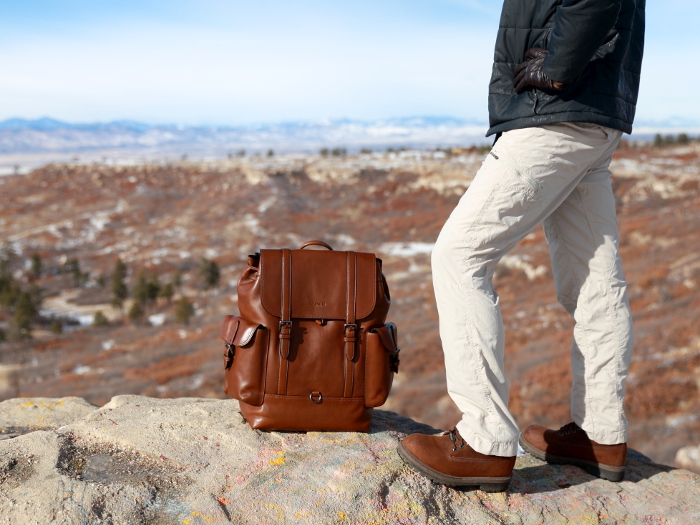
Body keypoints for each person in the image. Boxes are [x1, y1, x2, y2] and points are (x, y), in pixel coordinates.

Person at [398, 0, 645, 492]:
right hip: (594, 114)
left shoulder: (555, 92)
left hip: (553, 113)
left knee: (459, 256)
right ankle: (599, 434)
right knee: (594, 282)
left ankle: (485, 439)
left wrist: (554, 70)